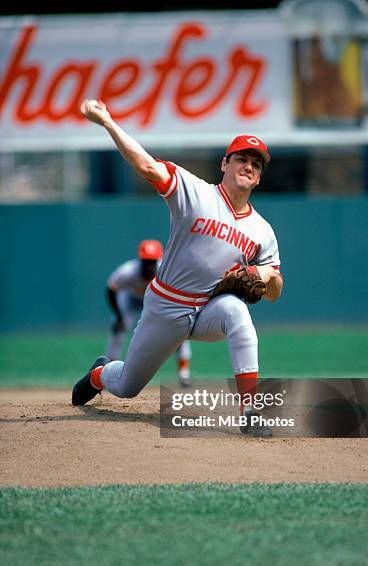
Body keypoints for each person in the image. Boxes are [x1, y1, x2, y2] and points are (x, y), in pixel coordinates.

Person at [72, 99, 283, 437]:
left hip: (208, 308)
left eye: (256, 164)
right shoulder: (196, 193)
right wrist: (108, 122)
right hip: (167, 305)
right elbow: (146, 167)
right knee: (127, 386)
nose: (249, 166)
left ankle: (249, 411)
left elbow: (274, 293)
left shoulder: (262, 231)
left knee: (238, 313)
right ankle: (99, 374)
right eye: (241, 158)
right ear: (224, 164)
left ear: (258, 178)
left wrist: (268, 274)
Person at [106, 239, 192, 387]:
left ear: (159, 260)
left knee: (179, 327)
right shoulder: (129, 271)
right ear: (140, 260)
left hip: (154, 301)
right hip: (131, 299)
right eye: (146, 261)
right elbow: (111, 289)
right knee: (118, 327)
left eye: (152, 261)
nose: (149, 265)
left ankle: (184, 372)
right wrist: (119, 316)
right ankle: (109, 370)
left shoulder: (166, 271)